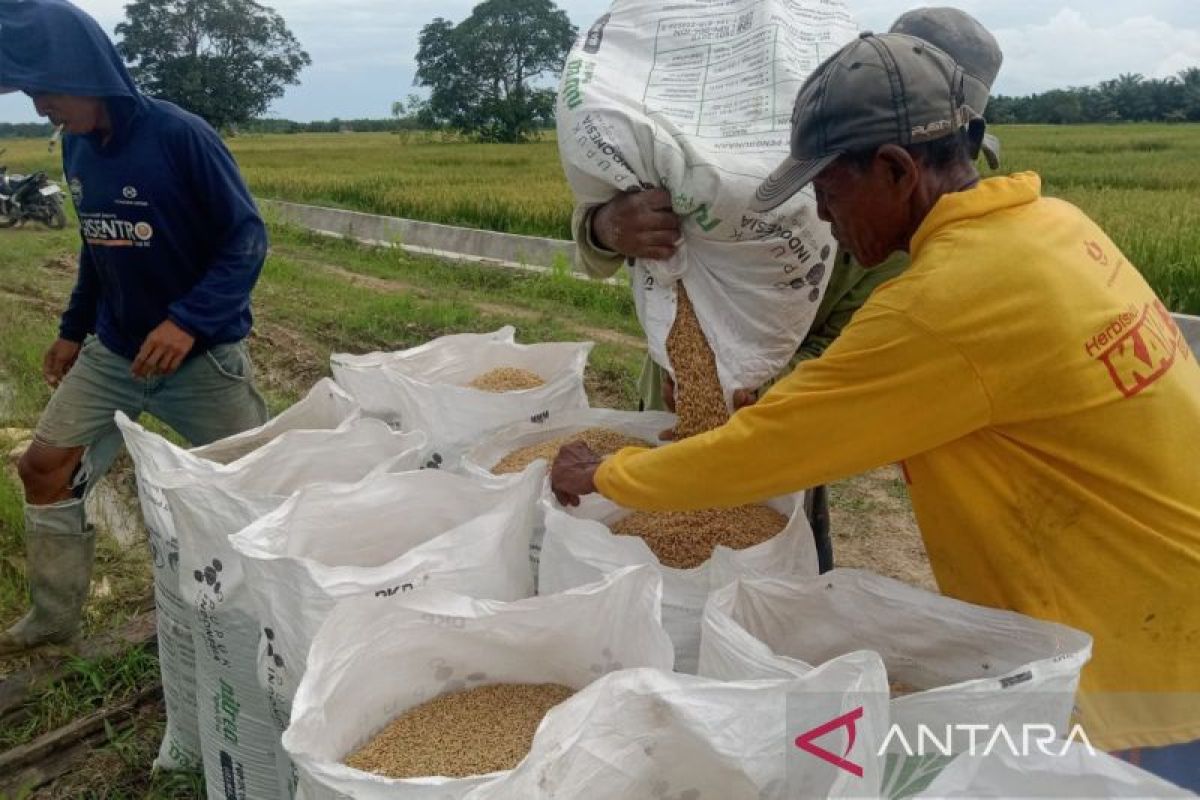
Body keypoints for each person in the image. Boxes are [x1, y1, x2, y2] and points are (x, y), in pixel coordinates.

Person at [551, 25, 1200, 788]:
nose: (823, 221)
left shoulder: (944, 302)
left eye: (827, 194)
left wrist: (607, 475)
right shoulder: (1053, 227)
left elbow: (756, 453)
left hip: (1141, 670)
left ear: (895, 171)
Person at [569, 7, 1001, 571]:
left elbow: (855, 364)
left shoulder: (927, 245)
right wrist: (605, 227)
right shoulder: (754, 143)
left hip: (786, 426)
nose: (821, 206)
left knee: (778, 568)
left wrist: (767, 385)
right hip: (678, 395)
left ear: (903, 168)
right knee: (646, 571)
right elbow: (612, 214)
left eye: (830, 190)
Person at [0, 0, 270, 655]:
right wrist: (72, 329)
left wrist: (187, 321)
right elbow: (101, 248)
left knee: (260, 491)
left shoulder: (182, 136)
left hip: (202, 360)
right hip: (115, 352)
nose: (41, 109)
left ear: (86, 73)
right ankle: (56, 618)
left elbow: (246, 238)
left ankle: (269, 617)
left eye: (46, 91)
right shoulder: (76, 148)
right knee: (43, 466)